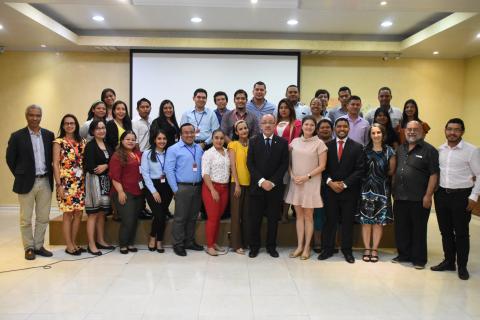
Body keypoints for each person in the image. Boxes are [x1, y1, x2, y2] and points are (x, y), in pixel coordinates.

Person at [431, 118, 480, 280]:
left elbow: (479, 175)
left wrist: (474, 196)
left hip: (462, 196)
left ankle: (463, 266)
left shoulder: (471, 150)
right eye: (449, 129)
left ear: (462, 131)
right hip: (442, 195)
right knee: (445, 231)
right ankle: (449, 261)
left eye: (456, 129)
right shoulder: (440, 150)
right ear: (445, 130)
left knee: (461, 233)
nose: (452, 132)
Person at [6, 105, 54, 260]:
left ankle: (39, 246)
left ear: (41, 116)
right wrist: (21, 174)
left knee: (43, 217)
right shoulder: (17, 136)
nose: (35, 118)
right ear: (26, 116)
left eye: (38, 115)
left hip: (45, 181)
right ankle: (28, 247)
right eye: (31, 115)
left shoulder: (48, 135)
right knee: (25, 218)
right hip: (26, 182)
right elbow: (10, 159)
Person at [392, 120, 439, 269]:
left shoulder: (429, 150)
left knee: (418, 229)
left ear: (422, 132)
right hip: (400, 197)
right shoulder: (400, 149)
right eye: (409, 129)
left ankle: (419, 259)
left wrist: (428, 195)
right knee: (401, 228)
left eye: (415, 129)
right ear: (405, 131)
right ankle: (404, 255)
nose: (412, 132)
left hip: (419, 197)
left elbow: (434, 174)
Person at [318, 118, 365, 264]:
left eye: (345, 126)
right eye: (339, 126)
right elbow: (322, 168)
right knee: (330, 221)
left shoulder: (357, 147)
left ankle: (347, 251)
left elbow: (360, 170)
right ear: (334, 129)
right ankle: (328, 249)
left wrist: (344, 184)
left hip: (349, 191)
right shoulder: (326, 146)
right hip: (330, 190)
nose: (342, 128)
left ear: (349, 129)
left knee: (347, 222)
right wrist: (330, 183)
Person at [285, 116, 327, 260]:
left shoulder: (320, 143)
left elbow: (322, 166)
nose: (308, 127)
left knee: (309, 216)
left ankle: (307, 247)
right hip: (296, 183)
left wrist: (307, 176)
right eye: (306, 124)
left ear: (315, 128)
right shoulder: (294, 142)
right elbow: (288, 162)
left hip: (310, 183)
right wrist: (291, 175)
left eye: (311, 125)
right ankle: (299, 246)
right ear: (301, 126)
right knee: (299, 216)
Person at [247, 114, 289, 258]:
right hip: (257, 187)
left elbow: (284, 164)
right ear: (260, 125)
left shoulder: (283, 142)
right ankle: (254, 247)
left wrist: (272, 182)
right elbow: (250, 164)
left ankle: (271, 246)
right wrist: (261, 181)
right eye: (264, 122)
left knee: (273, 219)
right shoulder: (253, 141)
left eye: (271, 122)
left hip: (275, 188)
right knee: (255, 219)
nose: (268, 125)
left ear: (275, 124)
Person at [356, 123, 396, 263]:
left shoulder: (389, 151)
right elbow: (360, 170)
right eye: (373, 133)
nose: (376, 135)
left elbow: (391, 171)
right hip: (365, 190)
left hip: (382, 191)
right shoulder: (364, 150)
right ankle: (367, 249)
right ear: (370, 135)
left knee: (378, 222)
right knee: (366, 222)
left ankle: (375, 249)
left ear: (383, 135)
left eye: (378, 132)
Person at [165, 123, 204, 256]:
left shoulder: (198, 148)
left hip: (197, 186)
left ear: (195, 133)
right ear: (180, 135)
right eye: (186, 132)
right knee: (180, 218)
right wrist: (175, 190)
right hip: (182, 187)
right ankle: (178, 244)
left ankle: (189, 241)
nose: (189, 135)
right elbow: (169, 170)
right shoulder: (173, 149)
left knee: (193, 217)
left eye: (191, 132)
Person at [53, 114, 86, 256]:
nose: (69, 125)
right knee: (67, 214)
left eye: (72, 123)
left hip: (80, 183)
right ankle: (68, 245)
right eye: (66, 123)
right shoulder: (58, 142)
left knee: (79, 213)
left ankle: (74, 242)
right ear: (63, 125)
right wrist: (58, 185)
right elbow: (55, 164)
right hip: (65, 184)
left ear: (76, 125)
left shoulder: (82, 141)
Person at [84, 119, 115, 255]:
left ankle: (100, 240)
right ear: (92, 131)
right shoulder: (90, 146)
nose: (101, 130)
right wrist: (103, 167)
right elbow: (90, 167)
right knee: (93, 214)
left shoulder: (108, 145)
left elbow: (112, 163)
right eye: (98, 128)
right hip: (93, 182)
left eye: (103, 128)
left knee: (102, 214)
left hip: (106, 183)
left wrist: (106, 166)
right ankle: (91, 244)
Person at [109, 131, 143, 254]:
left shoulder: (137, 154)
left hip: (138, 192)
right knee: (127, 220)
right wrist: (120, 192)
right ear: (122, 141)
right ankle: (123, 245)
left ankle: (130, 243)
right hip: (124, 192)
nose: (130, 141)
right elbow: (114, 176)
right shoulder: (117, 156)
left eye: (133, 139)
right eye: (127, 139)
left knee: (134, 220)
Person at [141, 130, 174, 254]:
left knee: (162, 215)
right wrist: (154, 191)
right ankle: (153, 237)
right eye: (159, 139)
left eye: (164, 139)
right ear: (154, 140)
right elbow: (145, 174)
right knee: (159, 215)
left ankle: (159, 240)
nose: (162, 141)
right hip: (152, 187)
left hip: (167, 187)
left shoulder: (170, 153)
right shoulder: (148, 153)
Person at [201, 130, 230, 256]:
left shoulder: (227, 152)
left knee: (218, 217)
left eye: (221, 138)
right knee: (212, 218)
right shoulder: (208, 153)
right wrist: (212, 190)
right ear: (212, 139)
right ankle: (209, 245)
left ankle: (214, 242)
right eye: (216, 138)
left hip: (225, 188)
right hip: (211, 188)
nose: (219, 140)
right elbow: (205, 173)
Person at [274, 98, 301, 222]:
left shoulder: (296, 123)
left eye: (286, 107)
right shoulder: (274, 123)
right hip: (274, 159)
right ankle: (276, 213)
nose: (283, 110)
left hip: (288, 157)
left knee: (287, 186)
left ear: (290, 109)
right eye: (281, 107)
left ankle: (284, 214)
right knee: (276, 185)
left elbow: (295, 141)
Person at [228, 120, 251, 255]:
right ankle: (236, 244)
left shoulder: (252, 144)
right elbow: (233, 165)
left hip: (250, 184)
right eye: (240, 129)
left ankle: (246, 241)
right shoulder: (233, 144)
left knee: (247, 215)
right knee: (236, 215)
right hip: (237, 184)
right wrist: (237, 183)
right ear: (236, 132)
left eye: (245, 128)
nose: (243, 131)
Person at [313, 119, 333, 253]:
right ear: (318, 130)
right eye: (322, 128)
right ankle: (317, 242)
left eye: (327, 127)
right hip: (316, 183)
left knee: (332, 215)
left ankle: (331, 242)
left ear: (332, 130)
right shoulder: (313, 144)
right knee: (318, 215)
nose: (325, 130)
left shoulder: (335, 145)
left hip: (332, 184)